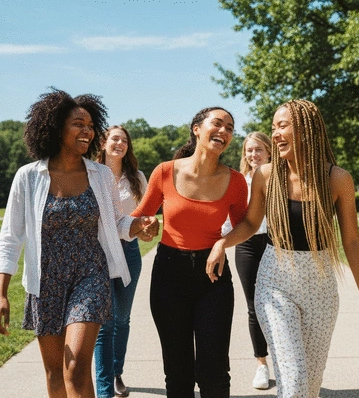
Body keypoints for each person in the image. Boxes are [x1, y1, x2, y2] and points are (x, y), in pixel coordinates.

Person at [206, 99, 359, 398]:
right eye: (273, 128)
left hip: (321, 289)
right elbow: (250, 224)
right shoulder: (266, 175)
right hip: (276, 285)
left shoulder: (338, 179)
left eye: (282, 126)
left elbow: (351, 240)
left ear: (307, 130)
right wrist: (223, 242)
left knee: (309, 386)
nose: (275, 134)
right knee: (294, 380)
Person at [0, 89, 158, 398]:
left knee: (76, 368)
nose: (87, 131)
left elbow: (116, 223)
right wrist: (2, 292)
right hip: (46, 280)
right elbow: (10, 236)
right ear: (57, 127)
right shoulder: (29, 177)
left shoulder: (100, 175)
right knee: (55, 373)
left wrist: (139, 226)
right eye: (78, 124)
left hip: (91, 274)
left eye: (90, 125)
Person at [131, 107, 248, 398]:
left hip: (213, 279)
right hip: (169, 275)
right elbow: (137, 219)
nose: (224, 132)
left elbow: (245, 226)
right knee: (178, 371)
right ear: (197, 128)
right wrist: (143, 228)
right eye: (217, 124)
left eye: (230, 128)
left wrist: (222, 243)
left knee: (214, 372)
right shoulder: (165, 172)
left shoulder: (235, 181)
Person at [94, 125, 148, 398]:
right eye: (115, 138)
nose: (120, 143)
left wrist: (146, 227)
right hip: (100, 252)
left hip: (129, 250)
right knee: (106, 321)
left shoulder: (136, 177)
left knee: (122, 318)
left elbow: (145, 215)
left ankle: (116, 374)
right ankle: (103, 388)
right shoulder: (90, 174)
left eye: (124, 140)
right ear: (103, 143)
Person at [221, 132, 272, 390]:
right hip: (248, 245)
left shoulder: (279, 178)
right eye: (249, 150)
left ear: (269, 151)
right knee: (254, 307)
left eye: (259, 149)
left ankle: (285, 362)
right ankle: (261, 364)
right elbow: (231, 219)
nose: (254, 155)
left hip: (276, 244)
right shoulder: (241, 181)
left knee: (278, 306)